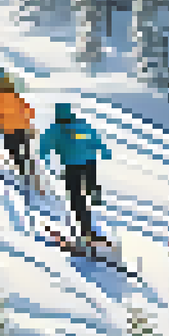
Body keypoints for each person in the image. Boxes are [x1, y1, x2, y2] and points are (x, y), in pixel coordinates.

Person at [38, 102, 110, 247]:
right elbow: (93, 137)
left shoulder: (56, 129)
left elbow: (44, 145)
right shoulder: (81, 125)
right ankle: (93, 194)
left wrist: (44, 158)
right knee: (86, 190)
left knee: (76, 197)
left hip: (73, 165)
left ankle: (86, 230)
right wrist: (103, 150)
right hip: (89, 162)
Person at [0, 74, 36, 180]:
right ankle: (29, 166)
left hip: (9, 129)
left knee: (13, 150)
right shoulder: (15, 95)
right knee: (24, 148)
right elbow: (28, 110)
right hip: (23, 127)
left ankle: (21, 171)